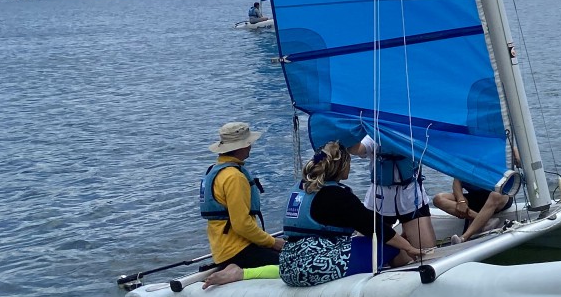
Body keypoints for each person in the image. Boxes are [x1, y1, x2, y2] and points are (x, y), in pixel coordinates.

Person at [277, 142, 428, 287]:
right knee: (390, 247)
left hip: (288, 264)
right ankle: (403, 276)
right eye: (348, 162)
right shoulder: (338, 195)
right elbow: (374, 226)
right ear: (341, 167)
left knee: (372, 241)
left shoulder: (301, 187)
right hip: (314, 266)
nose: (350, 166)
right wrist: (408, 247)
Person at [199, 121, 284, 287]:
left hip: (222, 251)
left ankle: (229, 266)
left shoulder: (215, 170)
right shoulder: (234, 177)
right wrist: (274, 242)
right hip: (238, 252)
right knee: (296, 264)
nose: (251, 146)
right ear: (242, 146)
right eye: (249, 143)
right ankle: (238, 272)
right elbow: (241, 225)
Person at [432, 175, 519, 243]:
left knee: (495, 195)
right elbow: (457, 182)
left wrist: (514, 153)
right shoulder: (464, 158)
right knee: (439, 199)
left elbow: (518, 162)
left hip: (498, 195)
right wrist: (461, 201)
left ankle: (463, 238)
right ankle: (486, 221)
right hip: (475, 197)